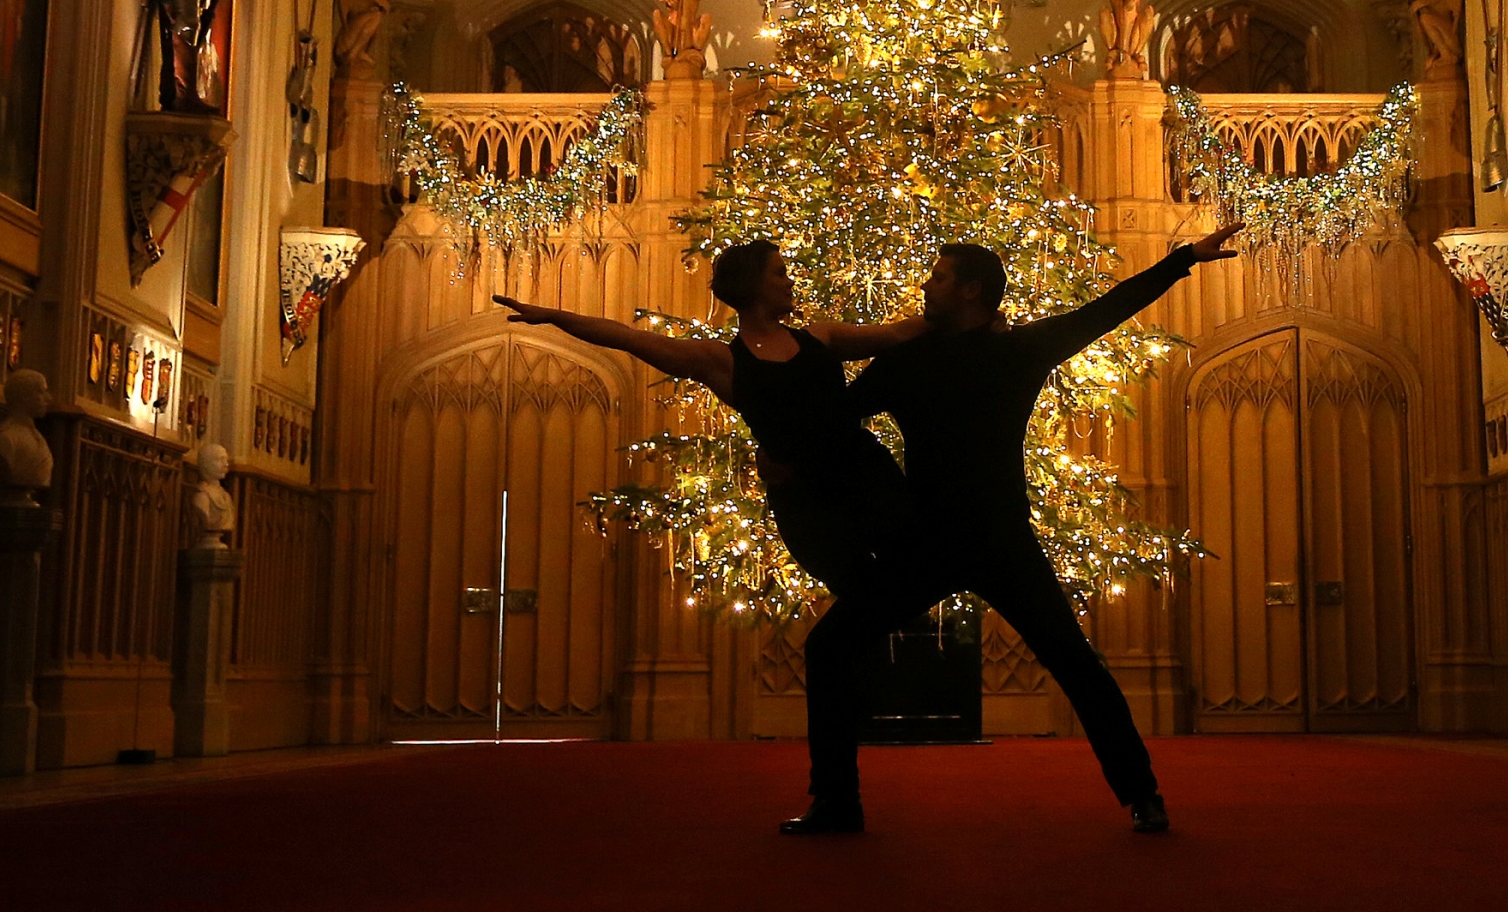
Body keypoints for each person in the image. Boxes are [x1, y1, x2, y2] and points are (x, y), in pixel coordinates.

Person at [797, 222, 1245, 839]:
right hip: (924, 541)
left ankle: (1142, 793)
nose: (925, 287)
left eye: (938, 278)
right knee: (830, 647)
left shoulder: (1017, 351)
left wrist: (1183, 259)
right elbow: (833, 419)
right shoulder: (905, 357)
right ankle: (837, 803)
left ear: (972, 291)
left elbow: (1109, 309)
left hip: (998, 539)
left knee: (1075, 663)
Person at [494, 239, 927, 600]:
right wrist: (553, 317)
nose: (789, 280)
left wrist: (973, 314)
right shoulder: (723, 362)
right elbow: (628, 338)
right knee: (862, 591)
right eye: (779, 273)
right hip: (808, 499)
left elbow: (896, 335)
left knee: (912, 567)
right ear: (754, 284)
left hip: (866, 478)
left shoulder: (822, 336)